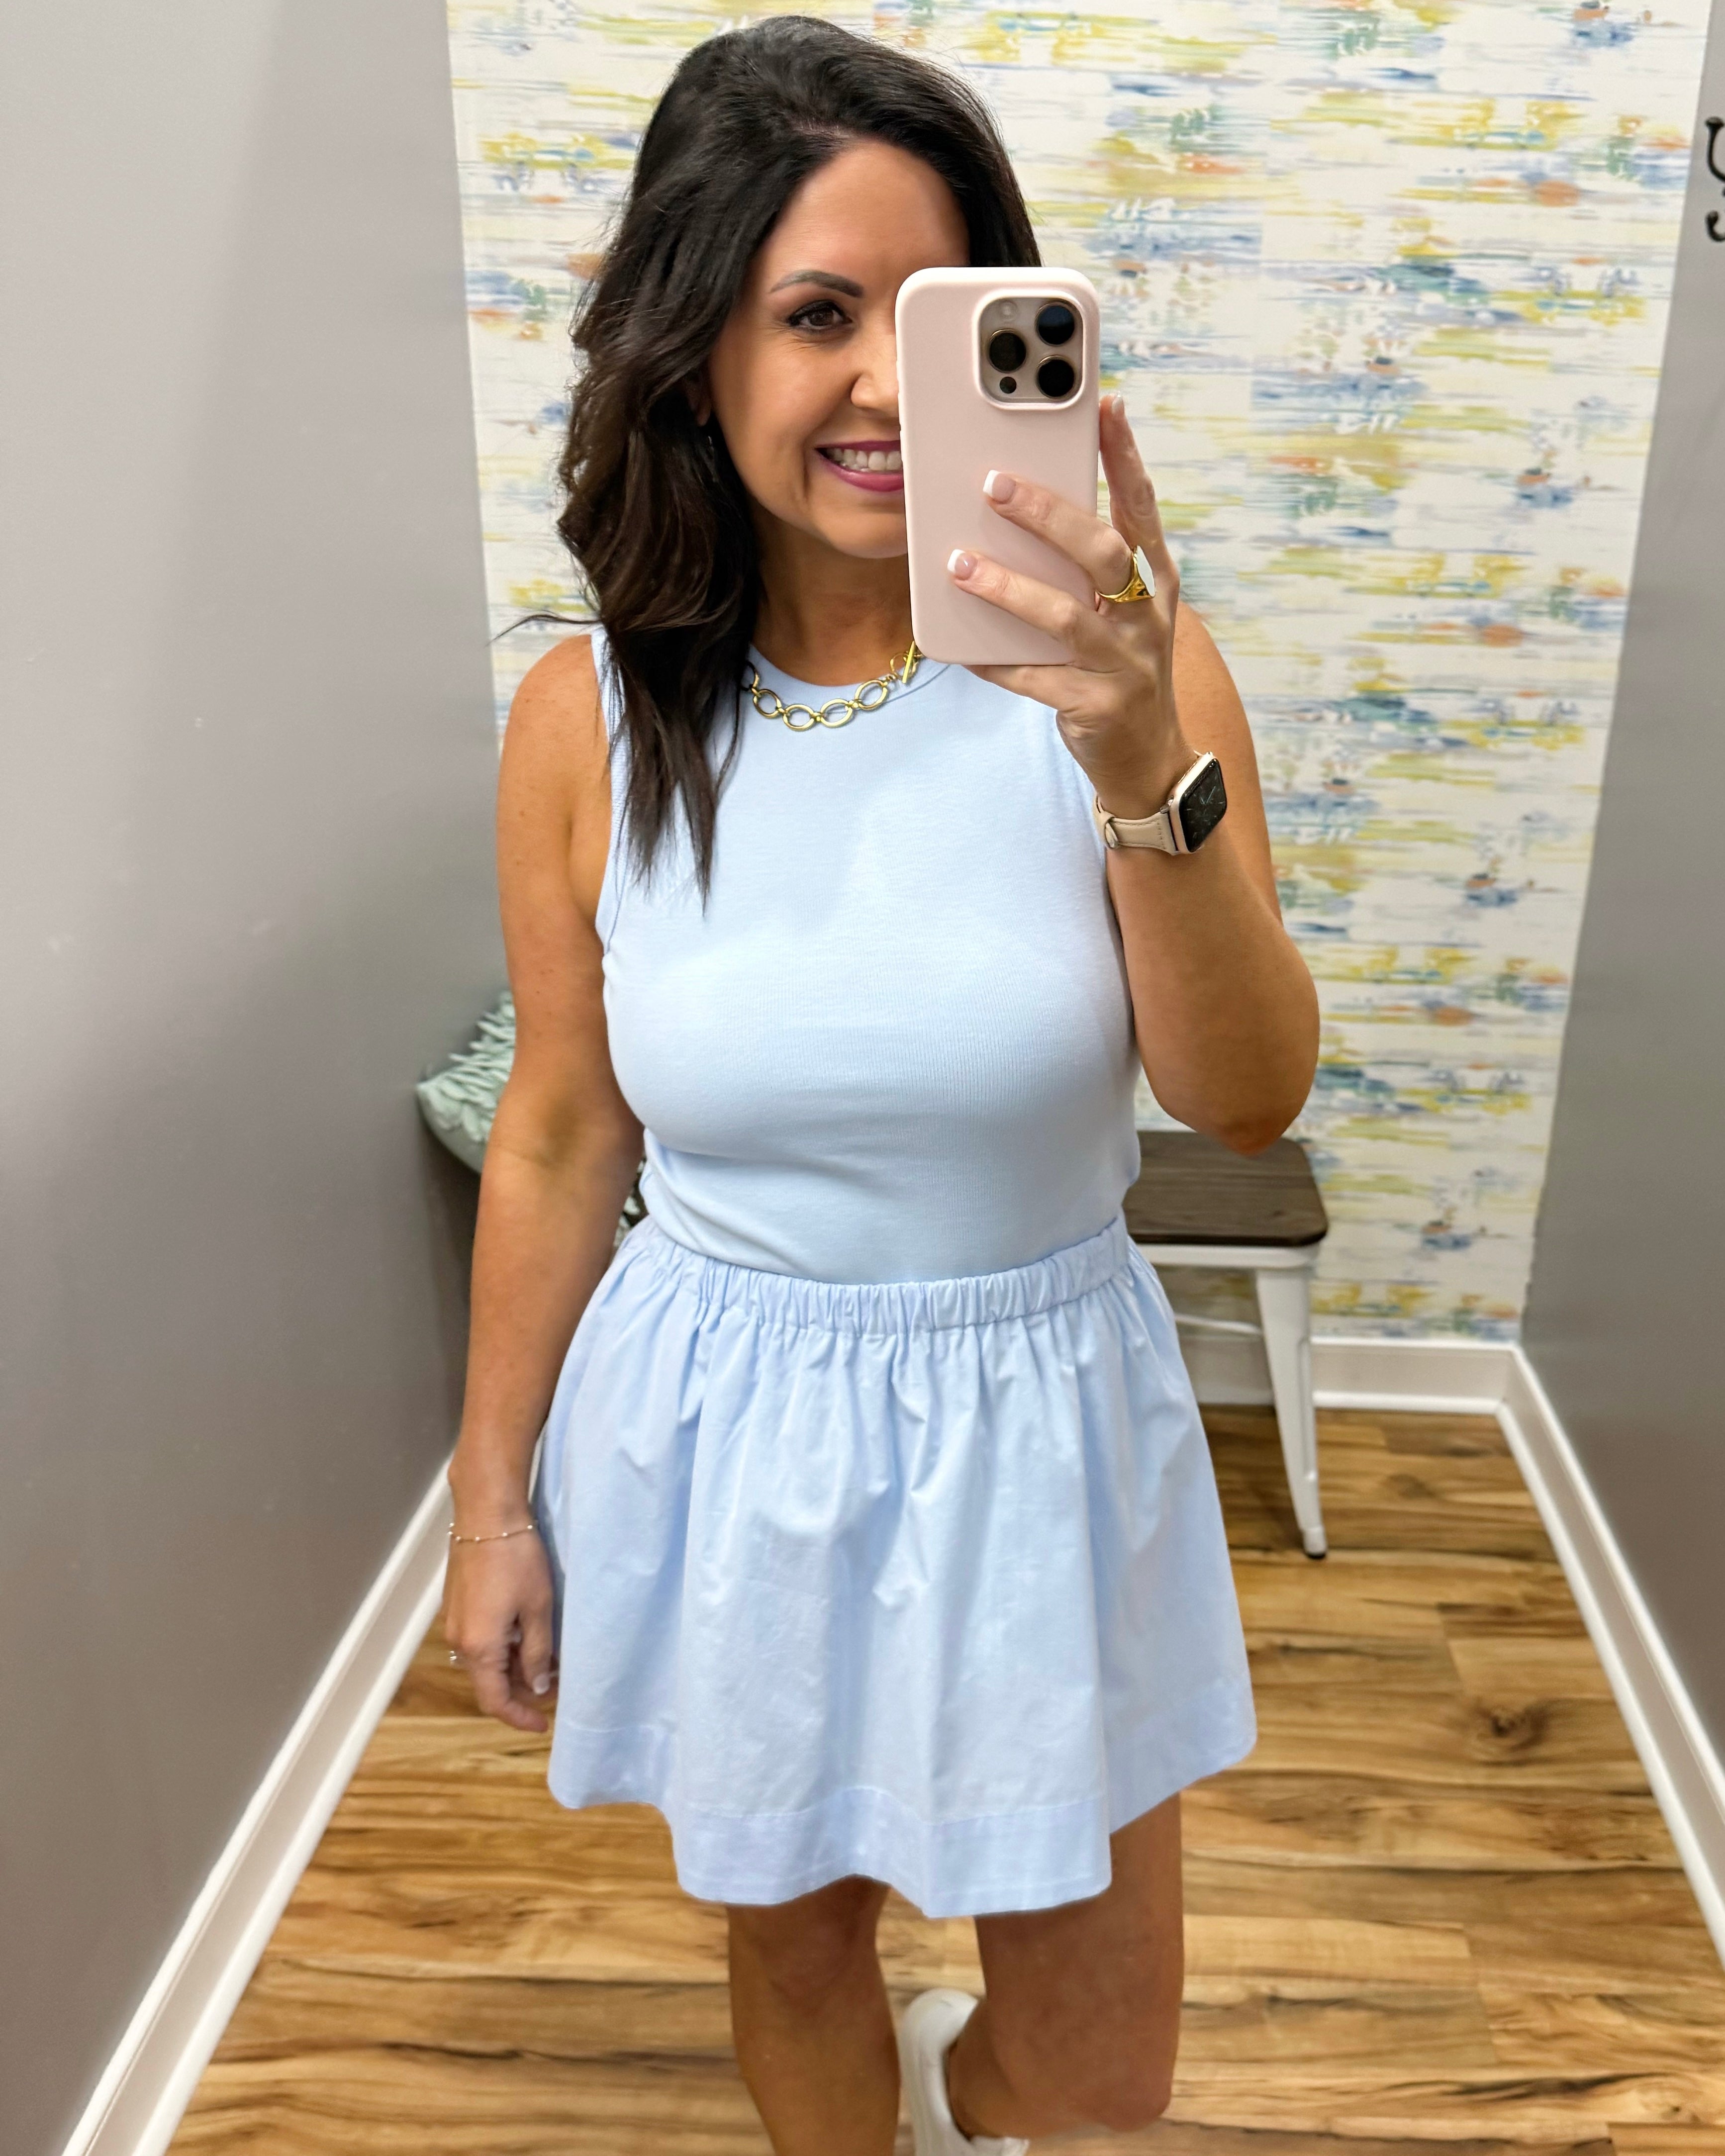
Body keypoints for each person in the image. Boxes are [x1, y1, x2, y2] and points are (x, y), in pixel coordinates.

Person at [440, 17, 1319, 2154]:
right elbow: (562, 1125)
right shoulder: (587, 723)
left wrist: (1131, 755)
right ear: (695, 343)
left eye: (926, 317)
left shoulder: (1131, 674)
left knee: (1101, 2063)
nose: (870, 387)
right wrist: (492, 1502)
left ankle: (974, 2101)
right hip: (724, 1423)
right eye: (810, 314)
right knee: (796, 1942)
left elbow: (1245, 1097)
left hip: (1044, 1416)